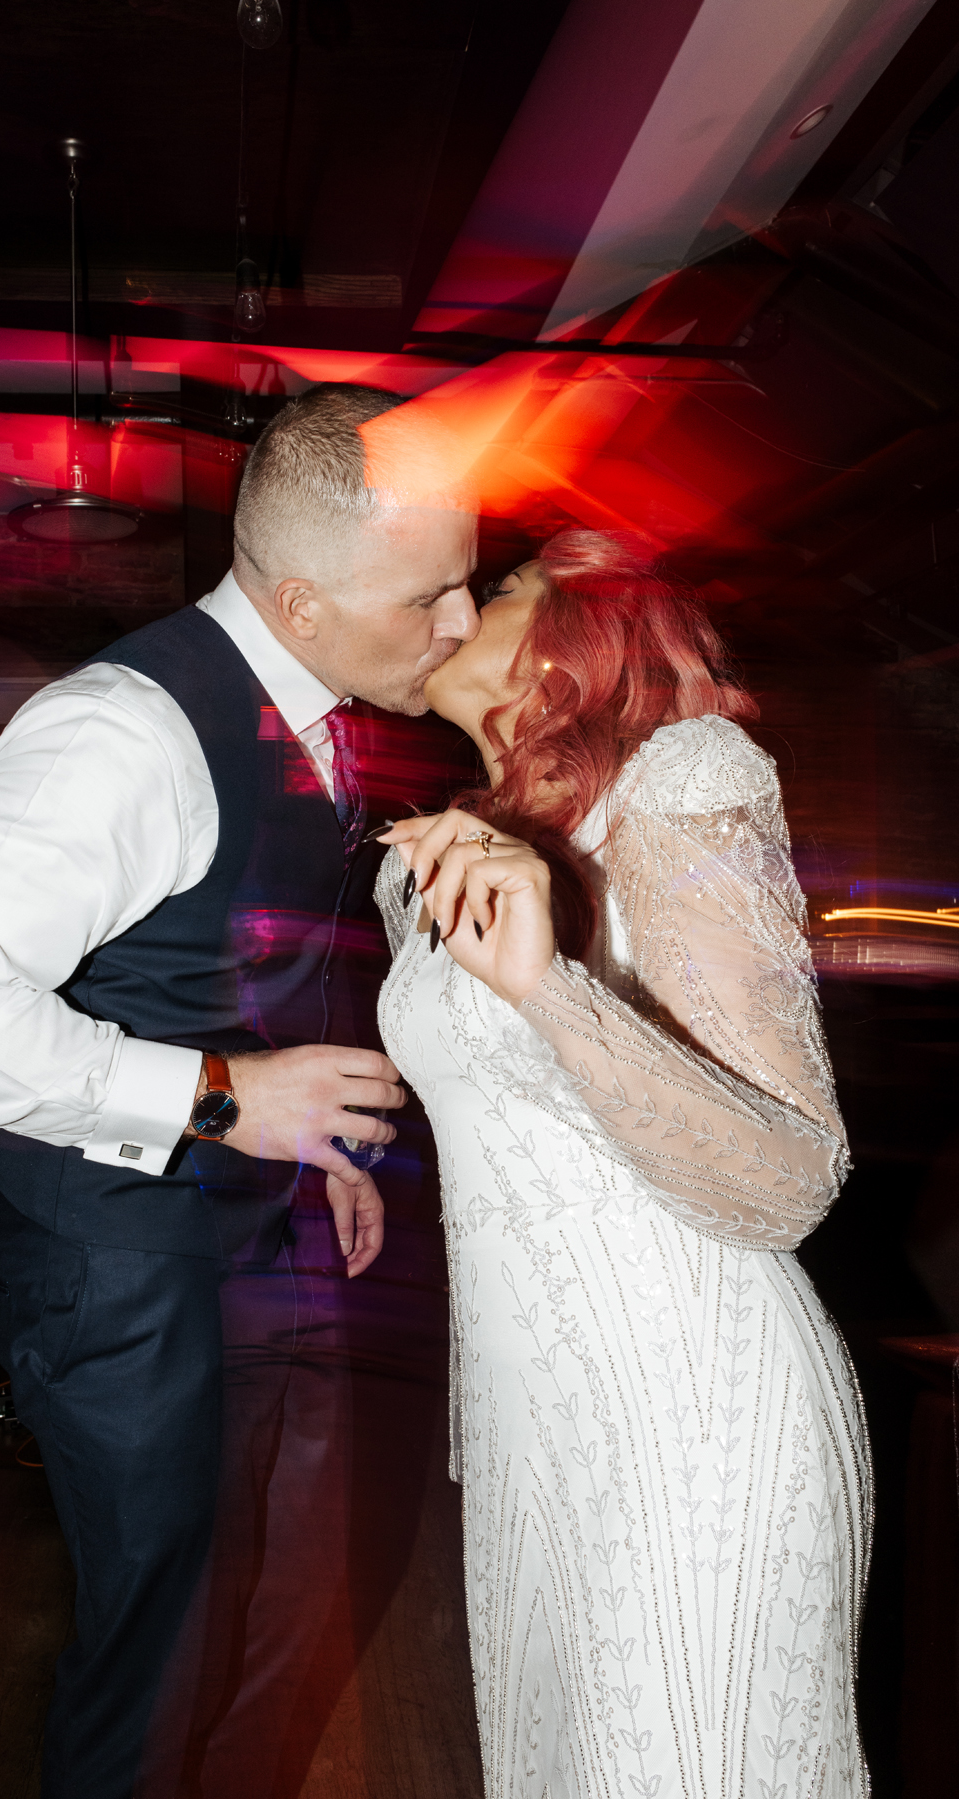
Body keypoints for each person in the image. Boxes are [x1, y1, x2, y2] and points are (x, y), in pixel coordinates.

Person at [0, 382, 480, 1799]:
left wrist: (308, 1146)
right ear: (304, 602)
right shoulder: (123, 732)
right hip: (120, 1271)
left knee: (260, 1624)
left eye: (468, 579)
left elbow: (223, 965)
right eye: (429, 595)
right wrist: (223, 1101)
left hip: (243, 1243)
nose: (462, 620)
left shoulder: (310, 709)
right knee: (159, 1669)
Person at [373, 528, 872, 1799]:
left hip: (692, 1414)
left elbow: (791, 1171)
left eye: (492, 590)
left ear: (579, 632)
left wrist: (549, 989)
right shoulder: (456, 847)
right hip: (535, 1431)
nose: (450, 610)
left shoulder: (681, 777)